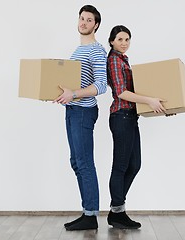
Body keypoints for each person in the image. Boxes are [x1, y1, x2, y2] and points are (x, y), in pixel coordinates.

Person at [106, 25, 166, 229]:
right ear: (112, 41)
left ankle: (116, 210)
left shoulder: (124, 60)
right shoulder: (114, 60)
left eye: (127, 39)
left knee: (134, 165)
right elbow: (122, 92)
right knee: (121, 166)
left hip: (130, 116)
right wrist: (149, 100)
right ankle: (117, 212)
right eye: (120, 39)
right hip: (121, 116)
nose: (124, 43)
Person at [54, 5, 107, 231]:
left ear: (96, 25)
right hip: (73, 110)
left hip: (84, 111)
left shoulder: (96, 50)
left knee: (84, 162)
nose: (84, 22)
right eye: (81, 18)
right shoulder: (77, 51)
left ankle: (90, 215)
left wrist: (74, 94)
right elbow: (73, 82)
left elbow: (101, 86)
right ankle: (88, 211)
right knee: (76, 162)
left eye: (89, 20)